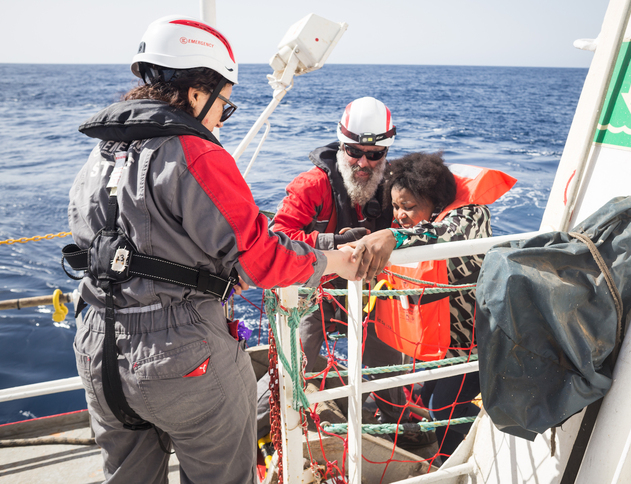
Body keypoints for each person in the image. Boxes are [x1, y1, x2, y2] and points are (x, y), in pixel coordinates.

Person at [64, 16, 361, 484]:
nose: (224, 117)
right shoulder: (196, 153)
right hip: (182, 357)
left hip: (97, 348)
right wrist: (330, 259)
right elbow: (260, 258)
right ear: (198, 93)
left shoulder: (101, 155)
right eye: (225, 103)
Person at [257, 97, 415, 439]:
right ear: (340, 145)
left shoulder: (395, 187)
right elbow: (278, 237)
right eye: (353, 151)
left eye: (374, 155)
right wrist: (333, 245)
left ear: (386, 154)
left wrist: (394, 236)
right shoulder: (312, 185)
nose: (363, 162)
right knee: (291, 369)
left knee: (387, 365)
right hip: (313, 295)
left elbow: (425, 219)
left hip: (370, 296)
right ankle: (249, 425)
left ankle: (397, 422)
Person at [351, 151, 515, 460]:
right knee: (429, 398)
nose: (400, 216)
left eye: (408, 207)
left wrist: (391, 235)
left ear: (436, 202)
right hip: (447, 345)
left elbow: (444, 236)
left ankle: (450, 467)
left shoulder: (471, 217)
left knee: (442, 408)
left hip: (484, 342)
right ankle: (465, 443)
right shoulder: (413, 224)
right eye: (396, 207)